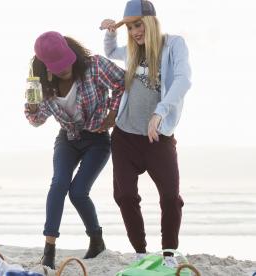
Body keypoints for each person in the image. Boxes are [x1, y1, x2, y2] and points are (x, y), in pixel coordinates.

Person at [100, 0, 191, 266]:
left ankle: (169, 253)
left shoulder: (173, 45)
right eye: (129, 28)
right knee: (125, 195)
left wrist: (160, 112)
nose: (135, 32)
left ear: (151, 21)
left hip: (158, 139)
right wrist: (111, 32)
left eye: (137, 25)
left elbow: (183, 80)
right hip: (125, 136)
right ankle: (140, 251)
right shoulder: (132, 50)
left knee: (171, 198)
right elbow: (110, 51)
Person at [24, 31, 125, 269]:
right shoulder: (41, 86)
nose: (64, 68)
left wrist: (112, 113)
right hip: (67, 139)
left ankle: (96, 240)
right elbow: (37, 120)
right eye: (57, 66)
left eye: (66, 60)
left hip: (97, 139)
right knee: (59, 183)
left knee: (78, 192)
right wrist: (32, 106)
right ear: (46, 66)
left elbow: (122, 82)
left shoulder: (95, 66)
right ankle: (49, 250)